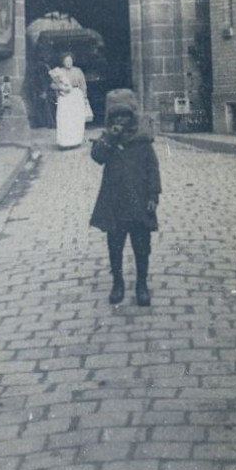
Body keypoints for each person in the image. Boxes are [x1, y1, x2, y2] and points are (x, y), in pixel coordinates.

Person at [89, 89, 161, 307]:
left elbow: (153, 169)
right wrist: (110, 136)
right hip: (115, 203)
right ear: (110, 118)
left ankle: (141, 284)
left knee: (141, 246)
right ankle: (117, 283)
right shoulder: (106, 140)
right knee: (115, 245)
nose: (120, 120)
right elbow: (97, 157)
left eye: (124, 115)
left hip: (139, 203)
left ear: (132, 116)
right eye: (115, 116)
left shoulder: (143, 141)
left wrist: (153, 195)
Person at [49, 52, 89, 148]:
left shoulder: (78, 71)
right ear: (63, 62)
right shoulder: (59, 72)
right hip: (65, 97)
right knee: (65, 119)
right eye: (66, 61)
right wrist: (61, 88)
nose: (68, 63)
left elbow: (83, 85)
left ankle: (76, 141)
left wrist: (84, 97)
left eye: (70, 61)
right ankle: (65, 142)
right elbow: (52, 85)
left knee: (76, 119)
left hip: (76, 96)